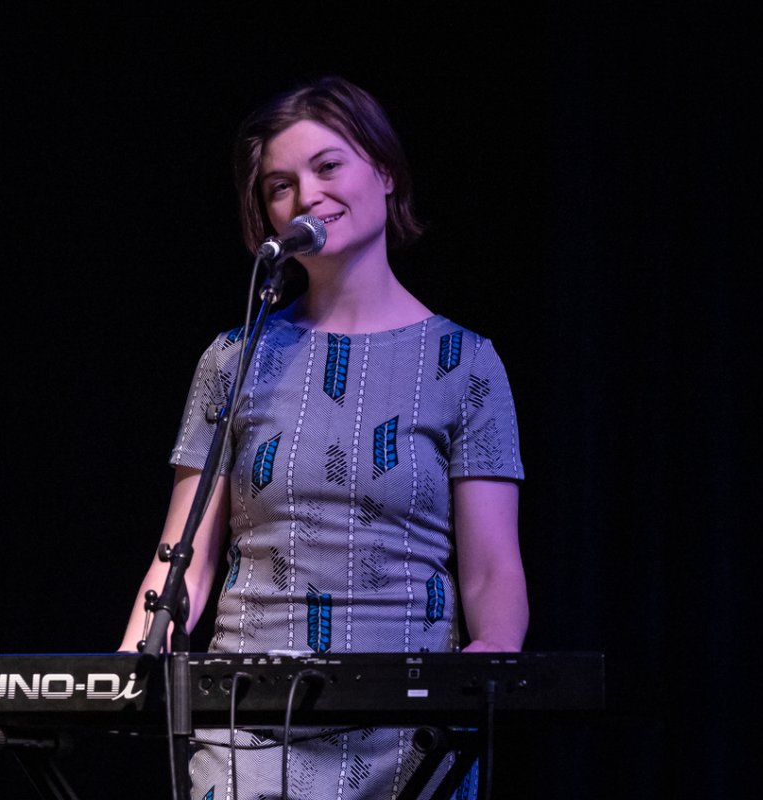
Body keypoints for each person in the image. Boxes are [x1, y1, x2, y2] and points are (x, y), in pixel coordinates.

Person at [120, 75, 529, 800]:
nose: (306, 195)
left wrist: (485, 674)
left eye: (328, 166)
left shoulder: (465, 363)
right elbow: (183, 554)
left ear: (385, 172)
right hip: (246, 725)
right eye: (281, 185)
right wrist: (123, 671)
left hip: (411, 732)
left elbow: (491, 571)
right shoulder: (234, 357)